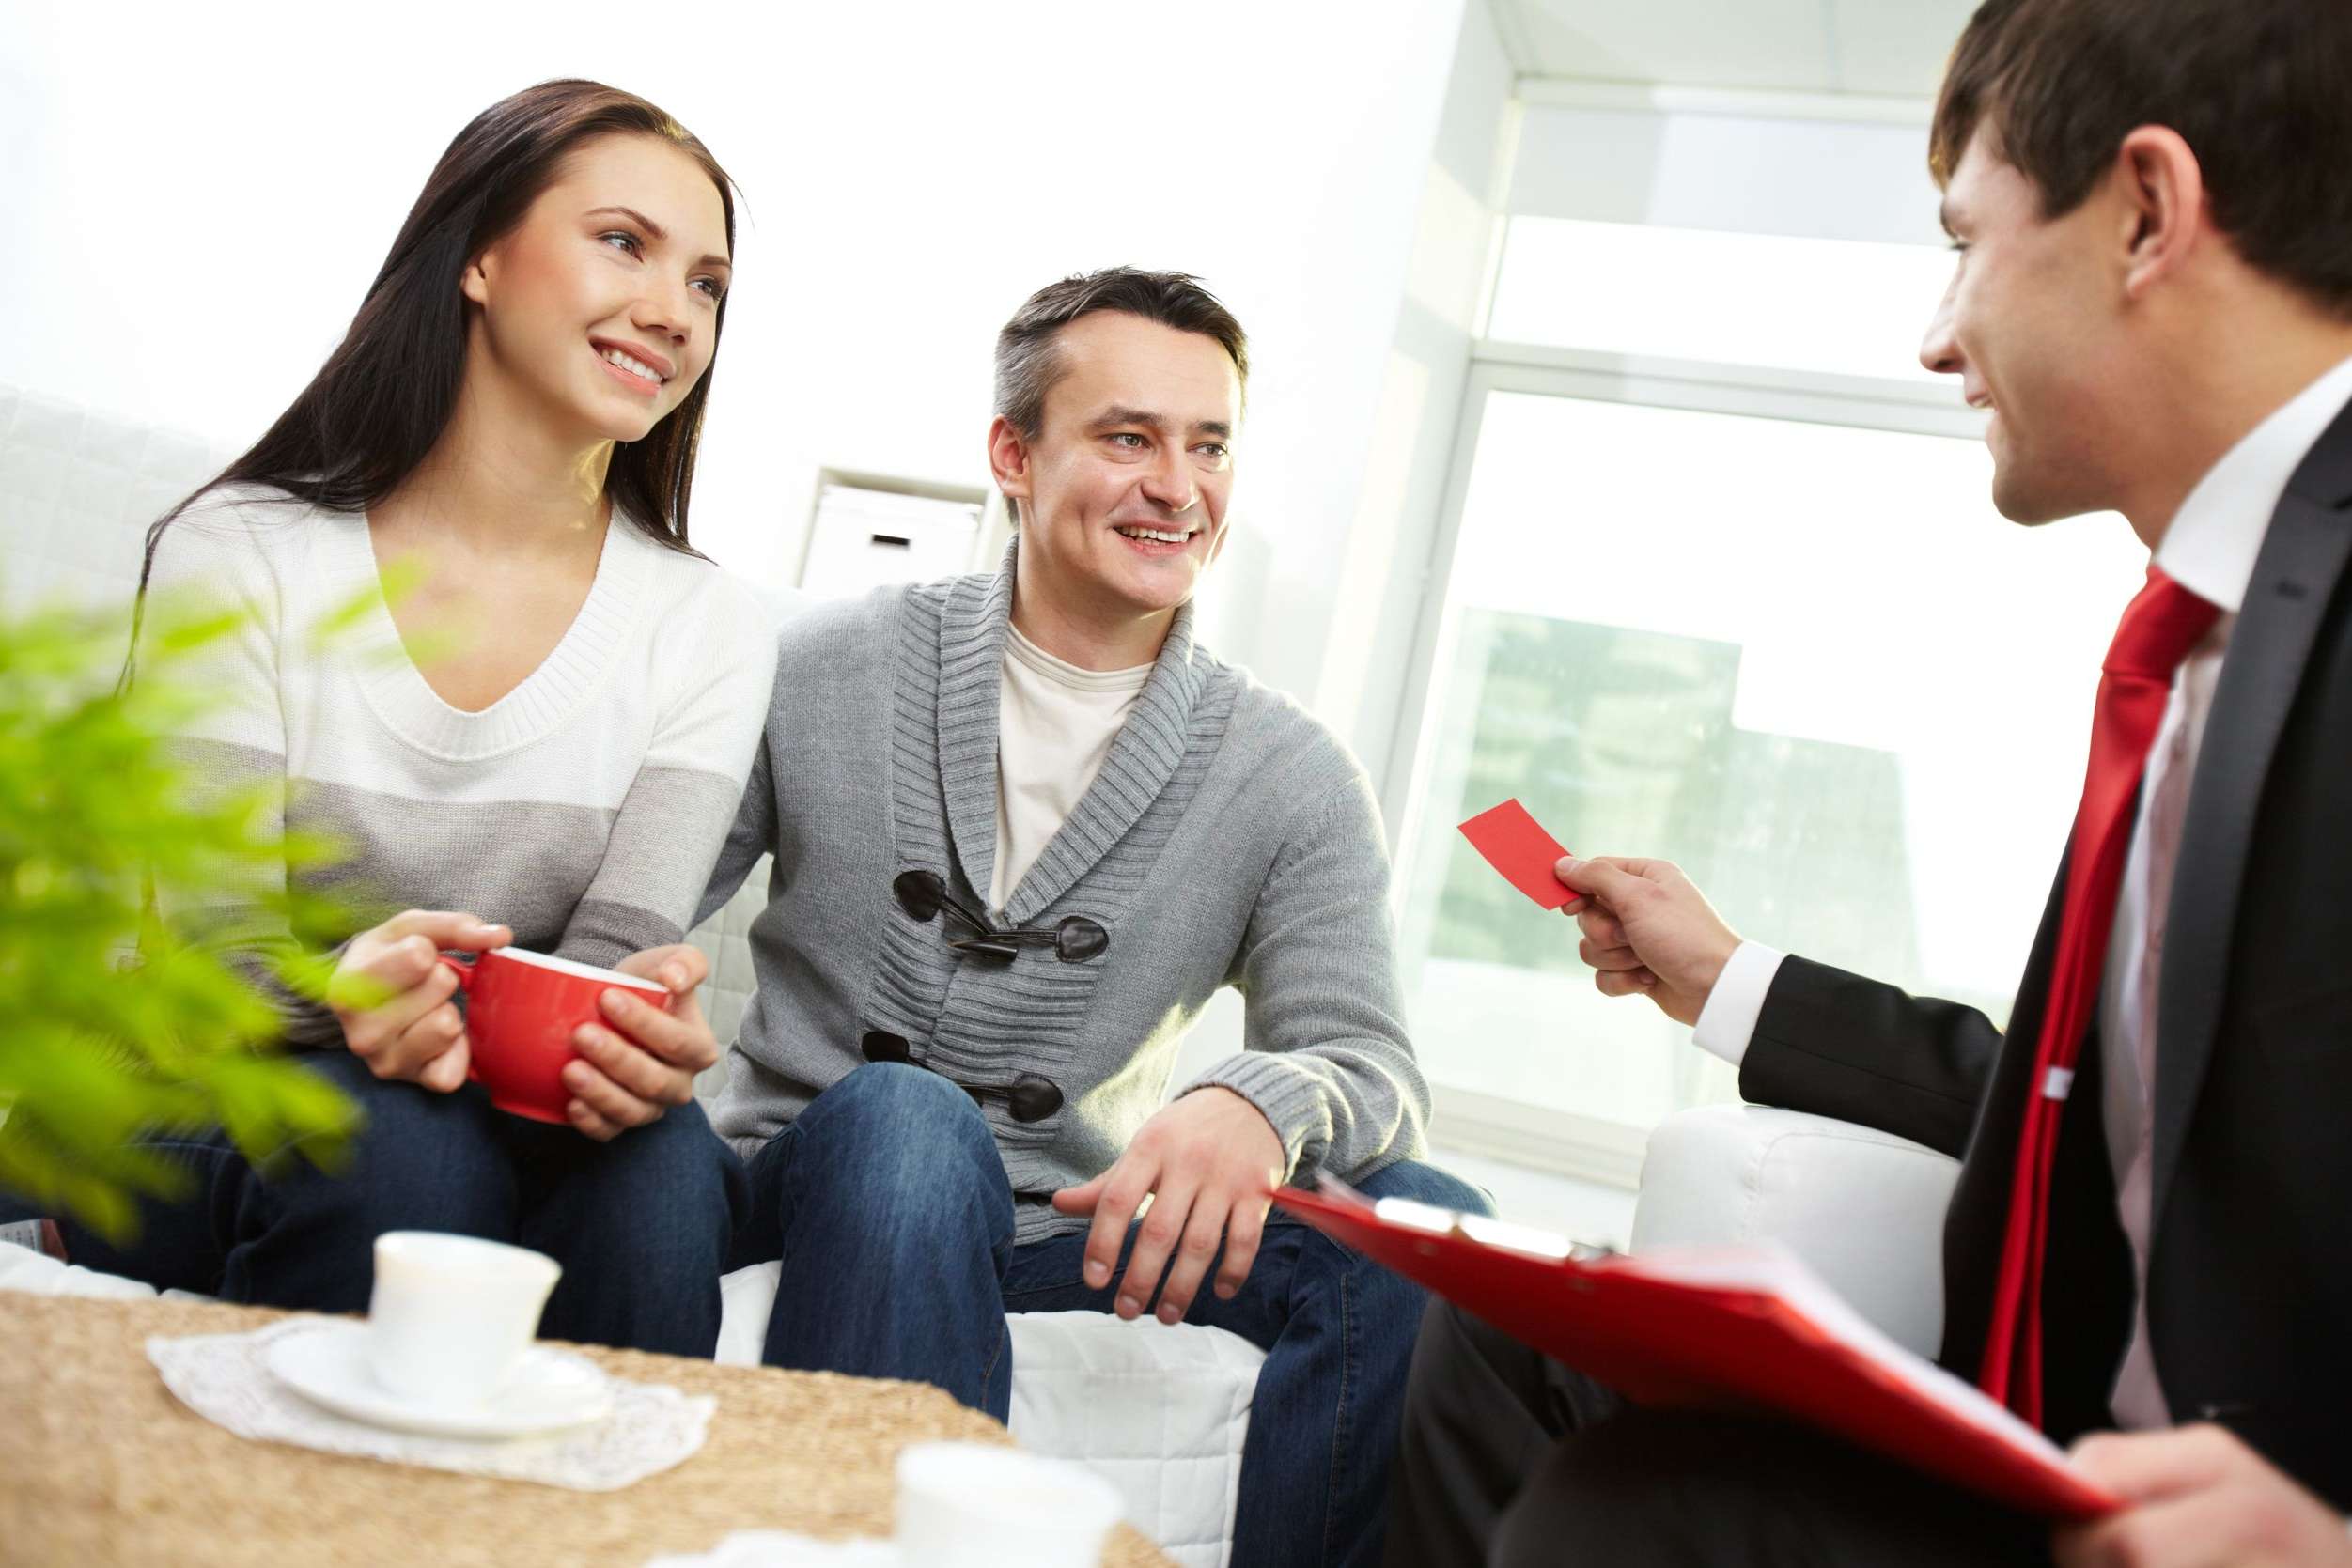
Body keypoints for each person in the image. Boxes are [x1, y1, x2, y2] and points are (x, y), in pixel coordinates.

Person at [1383, 0, 2352, 1562]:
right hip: (2052, 1457)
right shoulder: (2195, 647)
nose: (1938, 334)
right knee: (1502, 1339)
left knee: (1616, 1519)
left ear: (2146, 214)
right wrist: (1729, 978)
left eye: (1965, 243)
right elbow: (2065, 1109)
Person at [701, 267, 1485, 1568]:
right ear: (1013, 454)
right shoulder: (820, 666)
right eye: (1129, 438)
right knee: (907, 1121)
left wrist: (1258, 1103)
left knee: (1425, 1219)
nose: (1177, 486)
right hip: (821, 1183)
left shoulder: (1293, 773)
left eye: (1209, 446)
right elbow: (634, 914)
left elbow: (1371, 1065)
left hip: (1075, 1231)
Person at [0, 81, 773, 1357]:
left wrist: (632, 1042)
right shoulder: (242, 550)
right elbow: (208, 953)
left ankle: (593, 1491)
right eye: (622, 243)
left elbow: (608, 961)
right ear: (478, 256)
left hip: (485, 1107)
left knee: (664, 1175)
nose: (672, 312)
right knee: (407, 1147)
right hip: (191, 1084)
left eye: (707, 284)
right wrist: (337, 991)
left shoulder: (711, 625)